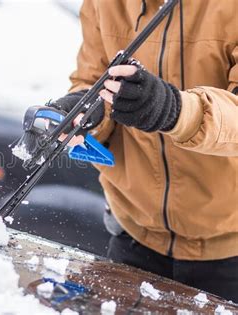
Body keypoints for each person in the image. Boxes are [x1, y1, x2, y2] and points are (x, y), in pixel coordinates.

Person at [50, 0, 238, 301]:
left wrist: (176, 111)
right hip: (133, 236)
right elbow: (92, 81)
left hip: (229, 251)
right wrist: (83, 113)